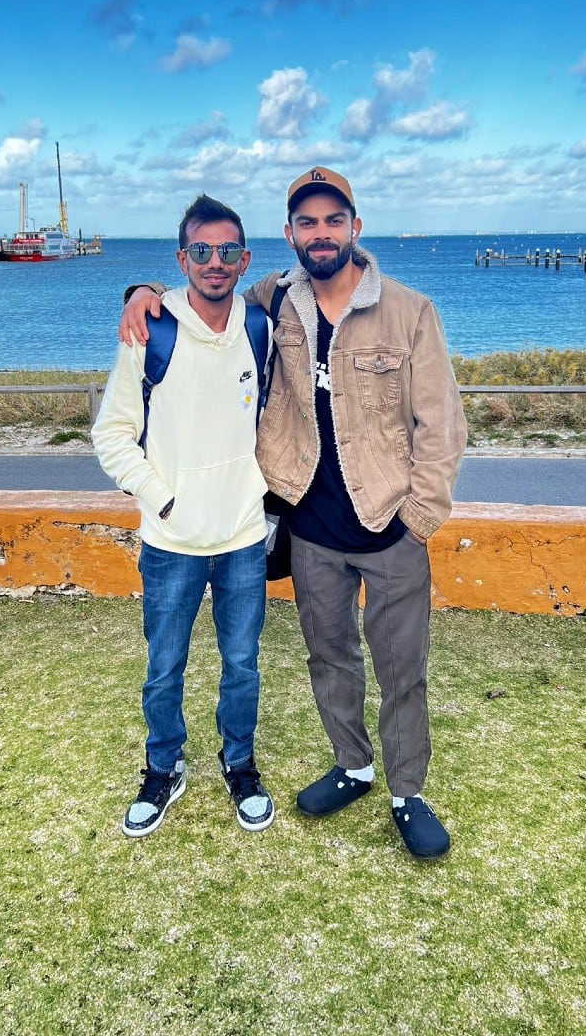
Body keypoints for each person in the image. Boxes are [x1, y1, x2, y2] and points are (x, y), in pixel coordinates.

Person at [120, 167, 467, 859]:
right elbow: (201, 293)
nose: (320, 233)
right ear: (289, 235)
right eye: (306, 223)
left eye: (333, 220)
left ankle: (406, 790)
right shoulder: (273, 299)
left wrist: (420, 517)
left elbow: (442, 425)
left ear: (355, 228)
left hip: (389, 522)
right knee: (329, 654)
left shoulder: (409, 310)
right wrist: (141, 292)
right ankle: (353, 765)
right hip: (307, 526)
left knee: (402, 666)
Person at [93, 194, 275, 838]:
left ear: (245, 258)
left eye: (228, 251)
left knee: (242, 664)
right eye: (201, 251)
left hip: (243, 537)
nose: (215, 262)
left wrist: (256, 493)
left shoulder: (260, 327)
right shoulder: (150, 328)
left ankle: (240, 763)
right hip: (171, 539)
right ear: (182, 259)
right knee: (164, 665)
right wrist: (160, 495)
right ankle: (162, 767)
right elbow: (112, 434)